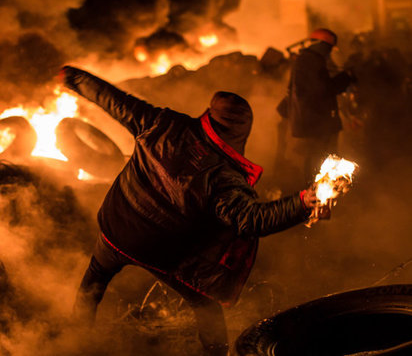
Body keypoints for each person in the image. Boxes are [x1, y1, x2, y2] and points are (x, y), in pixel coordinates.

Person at [60, 66, 325, 356]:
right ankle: (217, 353)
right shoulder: (225, 176)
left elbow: (114, 99)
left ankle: (77, 342)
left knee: (93, 281)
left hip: (116, 230)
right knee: (205, 305)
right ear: (241, 132)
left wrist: (75, 78)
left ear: (210, 114)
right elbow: (253, 220)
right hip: (164, 253)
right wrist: (301, 203)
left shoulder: (163, 123)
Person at [287, 28, 354, 182]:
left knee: (317, 158)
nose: (329, 52)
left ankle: (316, 191)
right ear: (323, 45)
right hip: (316, 122)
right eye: (329, 48)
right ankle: (317, 193)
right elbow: (322, 89)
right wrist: (345, 77)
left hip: (314, 121)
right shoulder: (310, 60)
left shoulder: (306, 59)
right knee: (319, 159)